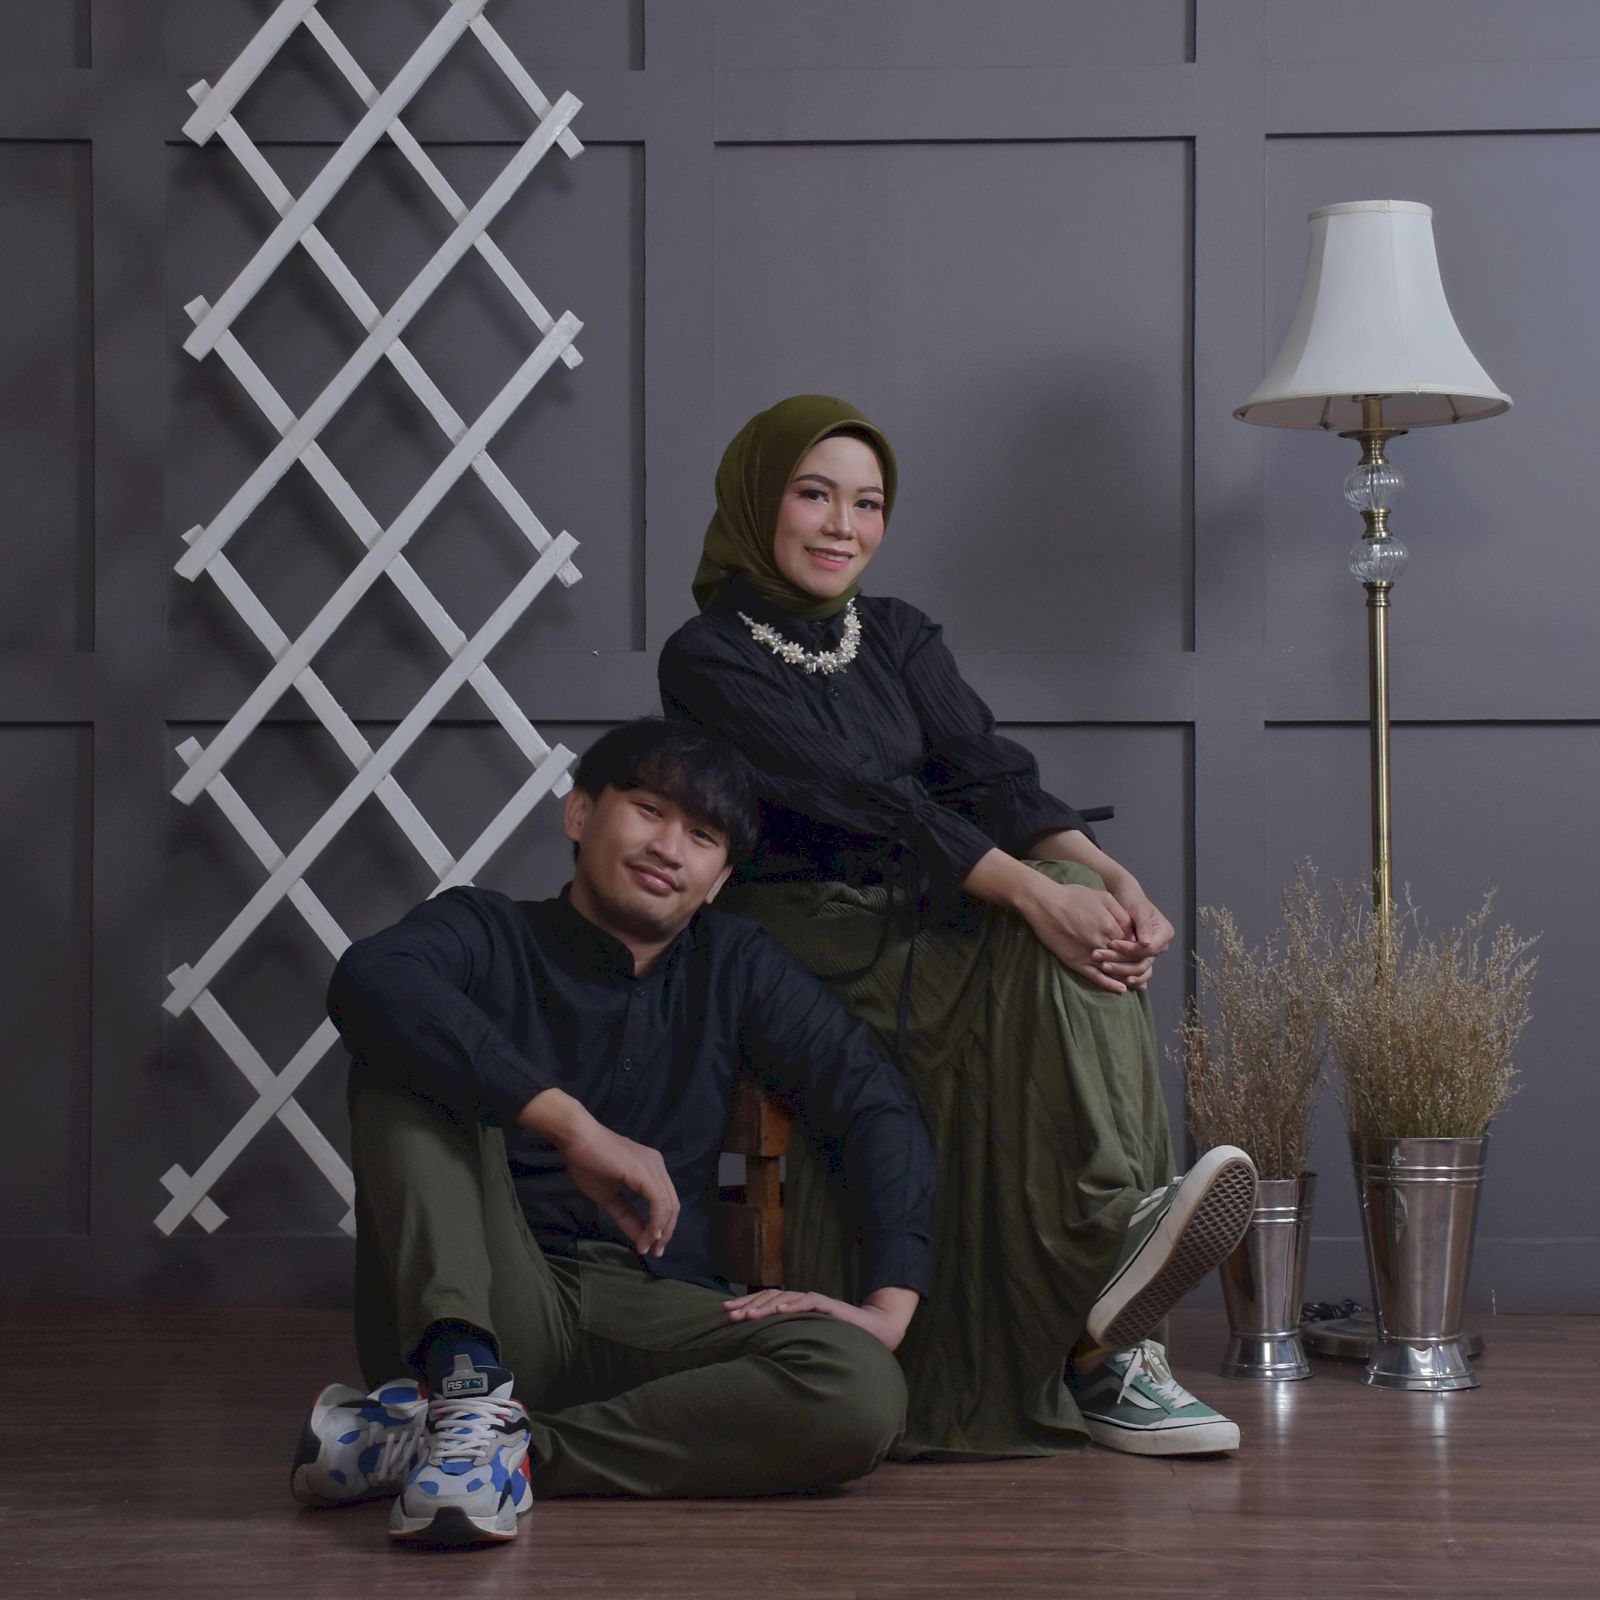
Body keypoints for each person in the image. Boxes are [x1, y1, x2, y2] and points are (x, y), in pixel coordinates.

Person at [659, 394, 1256, 1461]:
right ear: (757, 500)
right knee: (1039, 921)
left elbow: (988, 775)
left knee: (1075, 923)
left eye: (867, 503)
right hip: (798, 934)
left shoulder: (895, 632)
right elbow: (858, 795)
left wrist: (1112, 880)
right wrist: (1033, 894)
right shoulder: (705, 656)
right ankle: (1109, 1308)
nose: (843, 526)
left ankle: (1116, 1280)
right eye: (814, 495)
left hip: (923, 902)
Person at [294, 717, 933, 1546]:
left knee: (859, 1390)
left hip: (654, 1303)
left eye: (702, 837)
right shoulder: (490, 931)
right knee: (403, 1048)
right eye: (649, 811)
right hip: (488, 1293)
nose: (669, 848)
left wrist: (888, 1307)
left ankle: (485, 1453)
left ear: (719, 878)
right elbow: (371, 979)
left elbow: (874, 1104)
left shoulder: (736, 964)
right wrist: (570, 1125)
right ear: (580, 814)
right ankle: (467, 1390)